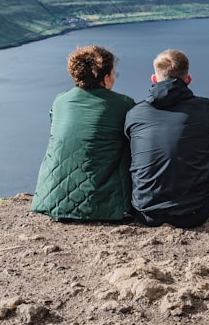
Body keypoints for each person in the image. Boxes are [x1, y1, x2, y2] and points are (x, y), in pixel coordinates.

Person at [125, 49, 209, 228]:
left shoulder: (135, 114)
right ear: (188, 79)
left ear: (154, 79)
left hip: (145, 212)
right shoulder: (204, 110)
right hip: (193, 213)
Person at [31, 45, 136, 221]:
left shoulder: (60, 101)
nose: (114, 78)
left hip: (51, 199)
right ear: (105, 78)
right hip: (101, 204)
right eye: (113, 74)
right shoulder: (123, 104)